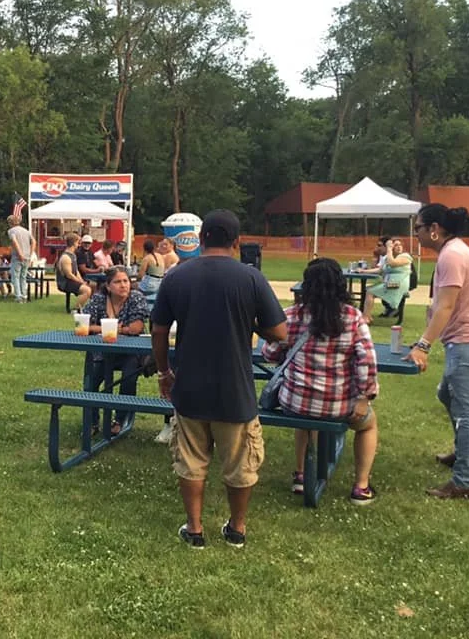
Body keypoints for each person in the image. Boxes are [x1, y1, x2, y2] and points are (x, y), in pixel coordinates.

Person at [151, 210, 287, 549]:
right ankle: (236, 528)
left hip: (190, 387)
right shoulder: (251, 278)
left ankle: (194, 529)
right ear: (237, 242)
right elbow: (280, 332)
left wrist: (164, 371)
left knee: (191, 460)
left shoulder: (177, 276)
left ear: (200, 239)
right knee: (240, 462)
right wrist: (248, 321)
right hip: (235, 389)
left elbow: (158, 328)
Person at [263, 258, 380, 505]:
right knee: (368, 425)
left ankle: (300, 474)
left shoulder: (292, 315)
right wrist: (364, 397)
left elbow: (270, 353)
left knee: (305, 422)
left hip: (295, 401)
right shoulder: (352, 318)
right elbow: (367, 362)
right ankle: (361, 486)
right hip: (338, 405)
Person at [405, 204, 469, 500]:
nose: (415, 233)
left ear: (434, 229)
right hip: (465, 342)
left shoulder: (453, 256)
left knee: (467, 415)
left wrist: (423, 346)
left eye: (418, 227)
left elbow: (446, 305)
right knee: (447, 395)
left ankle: (463, 482)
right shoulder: (451, 252)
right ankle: (462, 452)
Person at [82, 266, 150, 435]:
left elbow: (136, 327)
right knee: (92, 378)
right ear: (108, 286)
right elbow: (84, 325)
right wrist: (112, 328)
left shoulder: (136, 298)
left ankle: (120, 419)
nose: (123, 285)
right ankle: (92, 422)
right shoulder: (98, 299)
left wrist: (106, 329)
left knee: (129, 377)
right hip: (103, 351)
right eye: (118, 282)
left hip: (131, 351)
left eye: (126, 281)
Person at [362, 238, 413, 323]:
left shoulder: (405, 256)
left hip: (398, 285)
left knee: (370, 292)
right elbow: (379, 270)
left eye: (400, 245)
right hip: (390, 283)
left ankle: (366, 318)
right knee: (369, 289)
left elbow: (393, 263)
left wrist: (389, 250)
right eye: (395, 245)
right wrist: (363, 271)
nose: (399, 247)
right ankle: (367, 316)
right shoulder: (389, 258)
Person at [56, 233, 91, 310]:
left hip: (71, 280)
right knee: (87, 290)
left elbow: (76, 271)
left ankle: (89, 307)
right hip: (65, 283)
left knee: (93, 285)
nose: (79, 245)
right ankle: (76, 309)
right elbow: (69, 275)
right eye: (78, 242)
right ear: (74, 243)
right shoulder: (66, 257)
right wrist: (80, 282)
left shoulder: (73, 255)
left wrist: (82, 281)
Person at [6, 214, 34, 303]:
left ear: (10, 223)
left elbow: (14, 241)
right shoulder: (26, 231)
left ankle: (18, 297)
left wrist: (20, 253)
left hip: (17, 257)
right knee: (23, 277)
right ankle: (24, 295)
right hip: (27, 257)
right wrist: (30, 254)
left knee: (15, 277)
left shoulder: (11, 231)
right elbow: (34, 242)